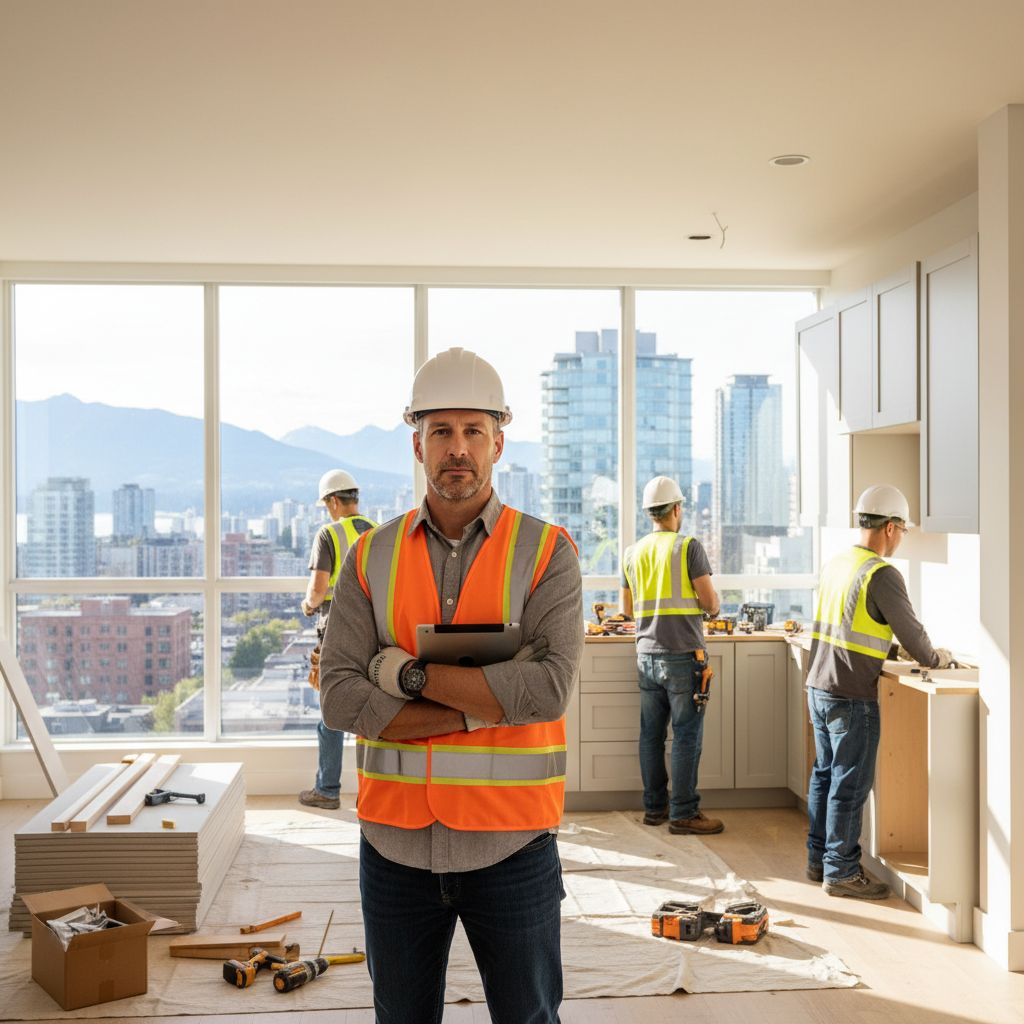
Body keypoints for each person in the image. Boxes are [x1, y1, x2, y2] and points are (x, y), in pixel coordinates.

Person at [319, 347, 583, 1024]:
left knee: (528, 1018)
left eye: (472, 431)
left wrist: (402, 674)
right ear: (417, 443)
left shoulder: (548, 551)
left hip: (512, 843)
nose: (456, 448)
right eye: (441, 431)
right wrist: (486, 702)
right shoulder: (369, 555)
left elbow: (548, 691)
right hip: (394, 847)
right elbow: (340, 698)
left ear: (498, 440)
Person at [806, 484, 954, 899]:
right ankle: (841, 872)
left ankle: (818, 861)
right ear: (890, 528)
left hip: (819, 685)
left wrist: (889, 648)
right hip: (851, 691)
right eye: (903, 530)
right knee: (849, 784)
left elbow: (850, 628)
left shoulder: (839, 563)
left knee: (824, 777)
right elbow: (918, 641)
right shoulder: (882, 573)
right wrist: (937, 657)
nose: (901, 537)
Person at [621, 475, 723, 836]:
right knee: (685, 736)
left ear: (650, 513)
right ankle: (683, 813)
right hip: (683, 655)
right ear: (677, 509)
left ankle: (654, 810)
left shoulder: (632, 552)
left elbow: (627, 607)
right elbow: (710, 602)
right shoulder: (688, 546)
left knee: (650, 735)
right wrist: (710, 609)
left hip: (646, 654)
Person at [298, 469, 376, 810]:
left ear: (333, 501)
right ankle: (373, 794)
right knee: (370, 711)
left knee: (332, 710)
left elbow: (317, 590)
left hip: (336, 632)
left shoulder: (328, 533)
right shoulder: (378, 532)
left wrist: (307, 604)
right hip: (374, 632)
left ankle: (327, 790)